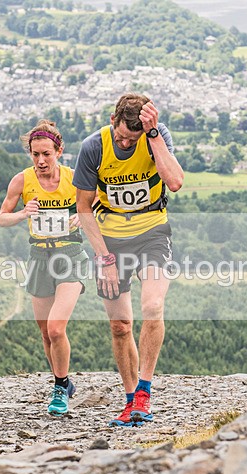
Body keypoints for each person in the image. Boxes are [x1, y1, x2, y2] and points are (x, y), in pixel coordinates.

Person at [74, 93, 184, 427]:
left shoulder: (155, 136)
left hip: (152, 232)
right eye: (121, 135)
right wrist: (103, 256)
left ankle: (145, 392)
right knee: (120, 326)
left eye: (131, 138)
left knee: (153, 307)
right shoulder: (94, 147)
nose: (125, 142)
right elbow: (83, 208)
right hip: (111, 240)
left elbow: (175, 182)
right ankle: (129, 398)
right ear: (112, 120)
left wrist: (150, 137)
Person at [0, 120, 87, 416]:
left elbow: (99, 202)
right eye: (35, 154)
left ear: (59, 151)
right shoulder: (22, 181)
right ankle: (62, 380)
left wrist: (83, 216)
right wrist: (24, 213)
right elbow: (2, 218)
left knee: (56, 327)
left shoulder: (75, 179)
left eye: (46, 154)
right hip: (39, 257)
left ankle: (60, 388)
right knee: (45, 333)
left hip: (70, 255)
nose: (40, 161)